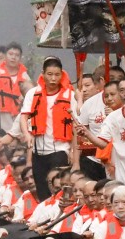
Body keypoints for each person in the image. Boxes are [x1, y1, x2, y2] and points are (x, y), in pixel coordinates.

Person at [18, 57, 79, 201]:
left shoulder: (69, 95)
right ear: (43, 74)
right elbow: (24, 117)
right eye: (50, 74)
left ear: (62, 74)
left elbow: (76, 127)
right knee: (42, 191)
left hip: (60, 150)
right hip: (38, 151)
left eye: (57, 75)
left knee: (58, 189)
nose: (53, 78)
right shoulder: (33, 94)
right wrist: (26, 134)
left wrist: (73, 154)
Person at [0, 42, 32, 130]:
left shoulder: (25, 77)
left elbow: (32, 102)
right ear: (5, 56)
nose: (13, 57)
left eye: (17, 55)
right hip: (0, 121)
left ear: (20, 58)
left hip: (19, 120)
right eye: (11, 54)